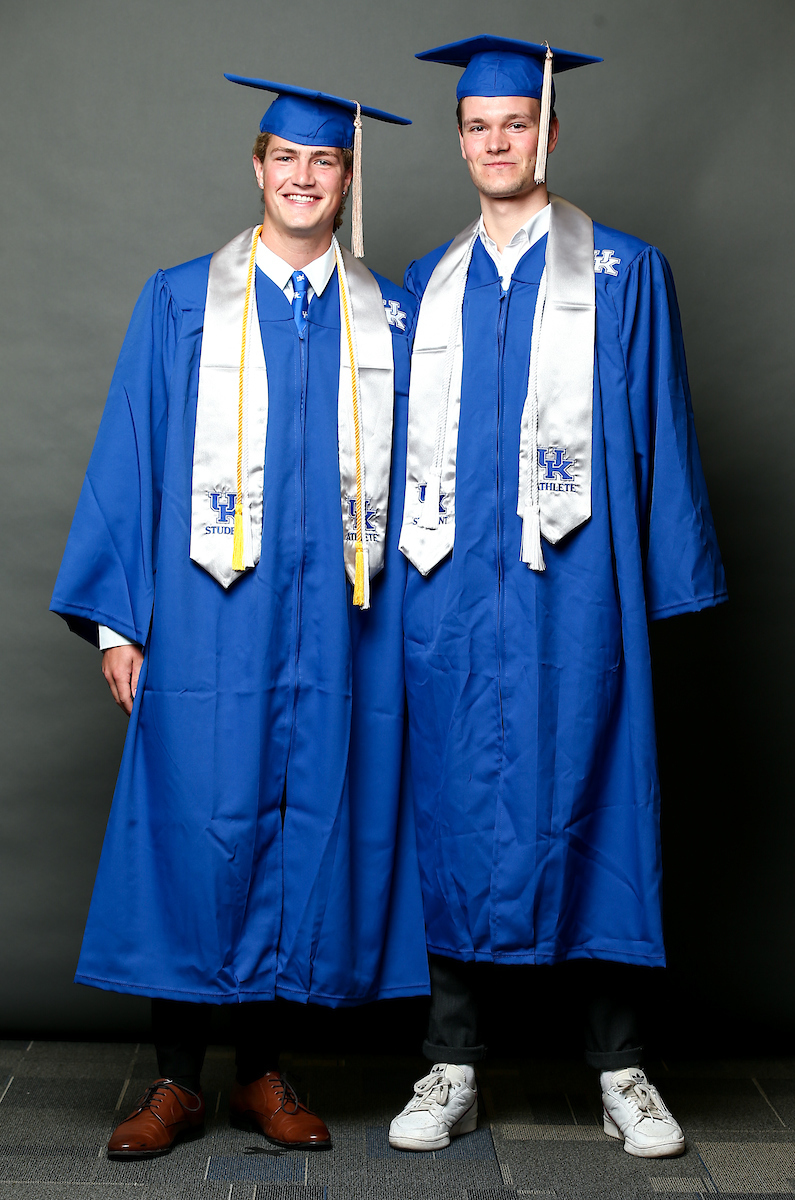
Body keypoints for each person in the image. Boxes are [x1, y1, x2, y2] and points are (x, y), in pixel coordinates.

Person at [51, 73, 429, 1159]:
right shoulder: (180, 299)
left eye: (325, 163)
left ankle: (264, 1075)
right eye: (286, 160)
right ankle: (175, 1083)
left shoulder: (389, 320)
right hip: (212, 617)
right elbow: (131, 450)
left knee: (300, 821)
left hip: (339, 620)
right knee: (194, 826)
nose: (304, 178)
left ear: (346, 180)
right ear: (256, 169)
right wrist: (120, 622)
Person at [389, 35, 727, 1160]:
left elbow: (662, 441)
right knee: (448, 808)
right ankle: (453, 1063)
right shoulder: (420, 291)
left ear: (544, 131)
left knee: (601, 803)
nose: (496, 142)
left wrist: (664, 591)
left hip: (579, 595)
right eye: (477, 126)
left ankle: (622, 1069)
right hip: (443, 602)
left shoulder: (624, 274)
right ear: (460, 140)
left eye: (514, 124)